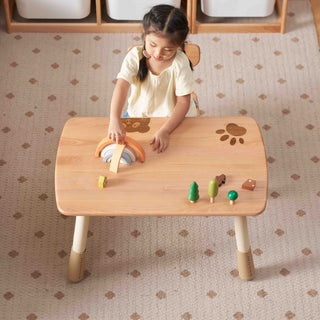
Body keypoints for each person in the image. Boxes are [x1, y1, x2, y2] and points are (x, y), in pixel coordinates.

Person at [108, 4, 197, 153]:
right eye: (152, 44)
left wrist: (166, 130)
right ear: (144, 34)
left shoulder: (180, 63)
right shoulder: (135, 56)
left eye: (168, 49)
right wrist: (114, 118)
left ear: (180, 44)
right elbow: (121, 86)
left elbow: (183, 102)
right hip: (139, 113)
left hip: (173, 117)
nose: (157, 53)